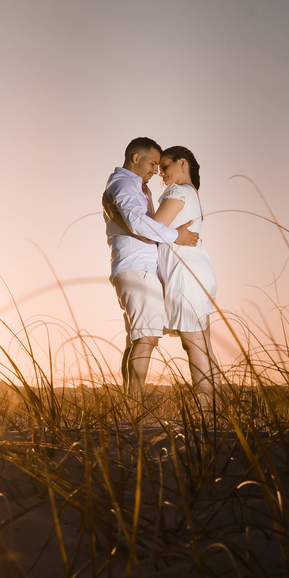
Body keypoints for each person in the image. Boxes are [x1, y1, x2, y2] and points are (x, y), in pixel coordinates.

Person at [103, 137, 199, 392]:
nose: (156, 171)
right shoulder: (124, 183)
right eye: (153, 163)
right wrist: (175, 236)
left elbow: (137, 223)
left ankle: (129, 403)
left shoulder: (135, 186)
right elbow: (138, 222)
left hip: (138, 268)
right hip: (137, 268)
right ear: (136, 158)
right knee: (146, 337)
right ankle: (134, 406)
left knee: (138, 338)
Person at [151, 145, 219, 395]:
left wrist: (173, 236)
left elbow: (154, 228)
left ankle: (206, 411)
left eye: (165, 167)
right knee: (203, 345)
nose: (162, 175)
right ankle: (214, 409)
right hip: (196, 269)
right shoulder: (191, 193)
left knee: (195, 345)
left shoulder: (178, 190)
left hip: (186, 273)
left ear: (182, 163)